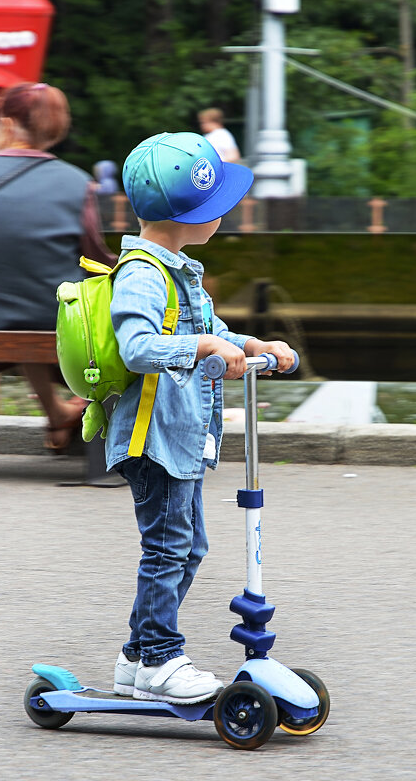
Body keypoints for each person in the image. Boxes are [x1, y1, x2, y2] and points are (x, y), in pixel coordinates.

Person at [107, 131, 295, 703]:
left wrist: (251, 342)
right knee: (167, 548)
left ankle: (137, 659)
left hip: (181, 433)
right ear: (190, 217)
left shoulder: (179, 267)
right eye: (217, 211)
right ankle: (161, 659)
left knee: (186, 548)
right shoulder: (142, 273)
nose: (223, 219)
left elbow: (205, 334)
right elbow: (136, 347)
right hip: (153, 436)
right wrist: (205, 350)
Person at [0, 82, 117, 452]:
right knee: (72, 314)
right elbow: (95, 258)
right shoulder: (79, 183)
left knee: (21, 312)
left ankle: (59, 415)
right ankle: (92, 410)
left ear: (8, 122)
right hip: (49, 310)